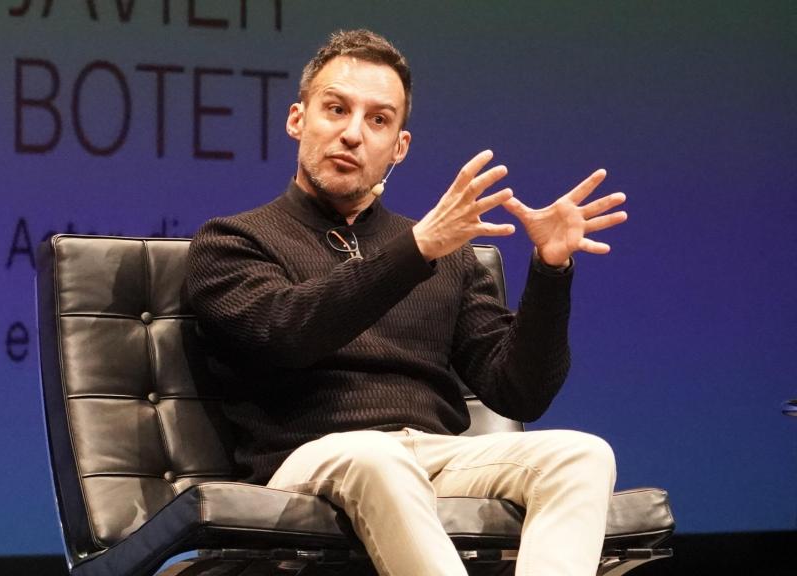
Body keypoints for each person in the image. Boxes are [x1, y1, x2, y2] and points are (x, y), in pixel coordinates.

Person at [185, 29, 628, 576]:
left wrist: (550, 271)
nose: (351, 133)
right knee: (378, 458)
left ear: (399, 146)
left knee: (583, 455)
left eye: (378, 120)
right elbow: (288, 333)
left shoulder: (449, 256)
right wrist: (415, 251)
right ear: (297, 119)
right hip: (313, 460)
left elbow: (520, 392)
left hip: (431, 457)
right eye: (335, 109)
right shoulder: (233, 241)